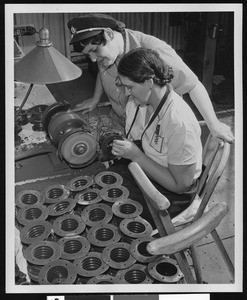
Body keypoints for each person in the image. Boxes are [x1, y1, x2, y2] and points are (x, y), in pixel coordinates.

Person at [67, 13, 234, 144]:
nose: (93, 60)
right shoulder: (107, 54)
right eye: (88, 54)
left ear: (109, 34)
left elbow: (192, 84)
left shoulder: (153, 52)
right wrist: (95, 99)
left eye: (94, 50)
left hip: (152, 134)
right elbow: (102, 71)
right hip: (120, 123)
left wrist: (213, 124)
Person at [110, 48, 202, 218]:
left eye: (130, 87)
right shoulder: (148, 103)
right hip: (152, 170)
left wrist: (136, 155)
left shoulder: (179, 123)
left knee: (114, 210)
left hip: (173, 194)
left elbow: (180, 185)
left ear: (149, 82)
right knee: (104, 184)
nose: (128, 93)